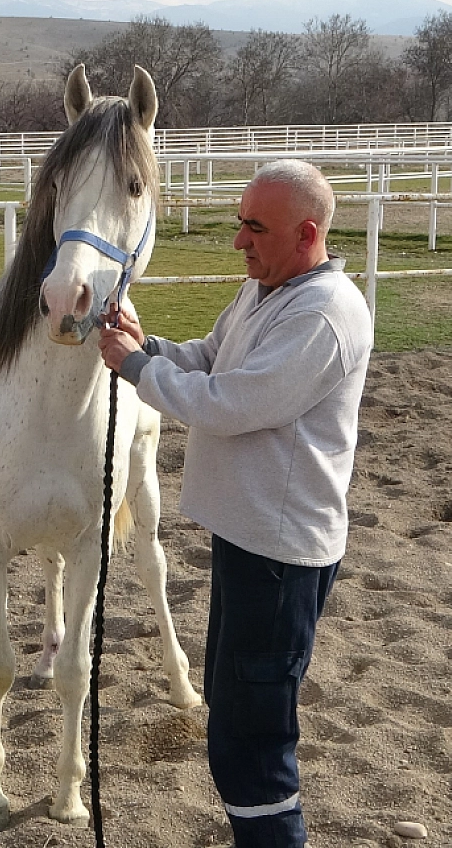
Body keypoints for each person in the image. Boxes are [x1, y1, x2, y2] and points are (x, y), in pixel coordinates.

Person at [97, 159, 372, 847]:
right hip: (248, 541)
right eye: (239, 223)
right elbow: (214, 357)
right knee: (234, 718)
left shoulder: (324, 313)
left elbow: (232, 403)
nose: (239, 242)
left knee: (250, 747)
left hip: (281, 554)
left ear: (307, 233)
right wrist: (148, 345)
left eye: (256, 228)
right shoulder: (268, 289)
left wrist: (134, 368)